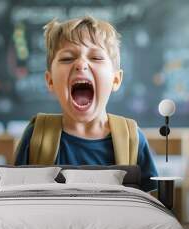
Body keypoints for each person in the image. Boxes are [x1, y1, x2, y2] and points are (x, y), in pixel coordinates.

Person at [13, 16, 158, 192]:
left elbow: (150, 205)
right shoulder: (36, 136)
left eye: (96, 57)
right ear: (50, 80)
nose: (81, 64)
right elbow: (15, 200)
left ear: (116, 80)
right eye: (67, 58)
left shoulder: (131, 138)